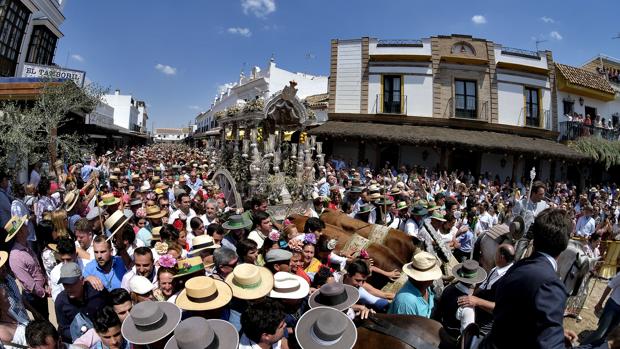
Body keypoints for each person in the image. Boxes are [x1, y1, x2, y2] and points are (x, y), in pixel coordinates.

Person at [478, 208, 577, 349]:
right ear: (565, 244)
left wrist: (555, 332)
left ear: (534, 237)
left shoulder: (517, 266)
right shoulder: (551, 285)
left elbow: (517, 316)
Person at [457, 244, 515, 336]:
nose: (494, 255)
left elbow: (500, 308)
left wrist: (476, 301)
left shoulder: (510, 279)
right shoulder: (495, 269)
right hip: (479, 312)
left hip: (488, 324)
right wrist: (470, 297)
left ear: (501, 257)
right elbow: (483, 287)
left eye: (496, 253)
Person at [6, 215, 49, 320]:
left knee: (45, 317)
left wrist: (45, 283)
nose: (27, 226)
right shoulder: (15, 257)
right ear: (20, 232)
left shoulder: (25, 246)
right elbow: (29, 283)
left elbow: (36, 267)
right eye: (24, 226)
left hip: (40, 292)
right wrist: (43, 292)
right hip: (35, 296)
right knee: (42, 321)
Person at [54, 262, 110, 342]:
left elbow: (111, 311)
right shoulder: (61, 301)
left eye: (72, 283)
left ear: (82, 280)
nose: (69, 288)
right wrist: (79, 335)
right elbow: (64, 328)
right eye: (65, 284)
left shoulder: (97, 291)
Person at [434, 260, 487, 339]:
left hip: (440, 330)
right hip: (452, 340)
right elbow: (466, 336)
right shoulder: (467, 306)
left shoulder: (447, 288)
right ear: (474, 282)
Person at [389, 251, 442, 317]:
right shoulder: (406, 302)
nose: (433, 279)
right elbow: (406, 326)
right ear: (424, 279)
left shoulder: (425, 287)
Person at [583, 270, 620, 345]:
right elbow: (610, 285)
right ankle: (582, 346)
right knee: (601, 332)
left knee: (610, 334)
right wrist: (600, 303)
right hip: (612, 305)